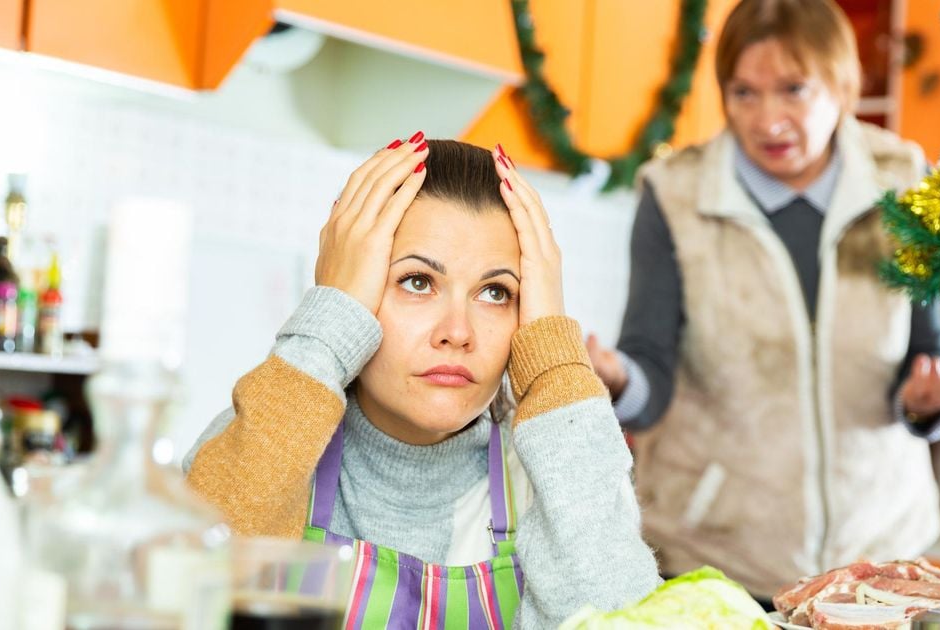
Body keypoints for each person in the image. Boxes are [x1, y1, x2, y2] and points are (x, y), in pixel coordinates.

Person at [585, 0, 940, 601]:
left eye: (793, 90)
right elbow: (650, 374)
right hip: (714, 567)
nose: (767, 119)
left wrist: (928, 398)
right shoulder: (675, 195)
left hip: (880, 564)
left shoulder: (903, 184)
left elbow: (923, 356)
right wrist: (617, 379)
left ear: (841, 86)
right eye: (744, 92)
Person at [185, 137, 660, 627]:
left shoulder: (547, 477)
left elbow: (621, 617)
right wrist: (327, 324)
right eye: (417, 282)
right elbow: (187, 606)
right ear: (352, 291)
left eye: (496, 293)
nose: (458, 332)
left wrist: (554, 361)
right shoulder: (265, 446)